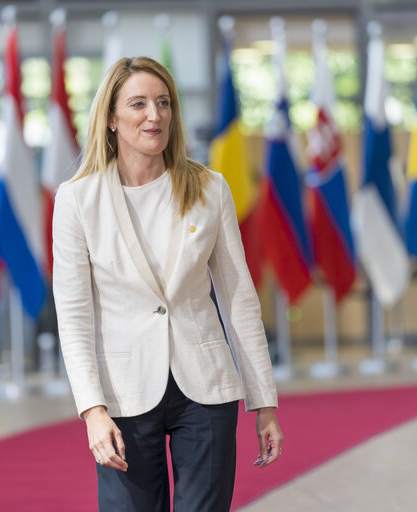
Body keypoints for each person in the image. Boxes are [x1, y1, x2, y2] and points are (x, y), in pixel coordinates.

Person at [52, 56, 283, 512]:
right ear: (112, 118)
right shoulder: (77, 200)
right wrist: (92, 411)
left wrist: (265, 403)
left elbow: (239, 299)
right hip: (123, 393)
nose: (153, 115)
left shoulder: (210, 189)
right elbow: (74, 315)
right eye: (138, 104)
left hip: (206, 388)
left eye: (163, 103)